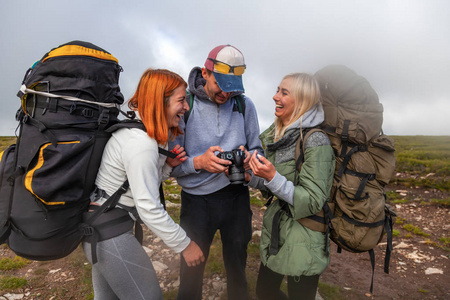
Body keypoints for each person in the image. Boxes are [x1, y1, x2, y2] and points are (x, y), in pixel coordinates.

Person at [82, 69, 205, 300]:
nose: (186, 107)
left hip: (99, 229)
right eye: (181, 100)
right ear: (161, 102)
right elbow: (148, 207)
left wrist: (166, 166)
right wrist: (185, 245)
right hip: (110, 235)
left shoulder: (136, 133)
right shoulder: (141, 144)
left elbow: (137, 186)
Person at [169, 45, 263, 300]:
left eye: (233, 86)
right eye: (221, 84)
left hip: (236, 198)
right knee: (191, 273)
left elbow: (258, 150)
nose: (226, 92)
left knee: (237, 269)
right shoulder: (184, 106)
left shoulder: (244, 105)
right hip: (197, 202)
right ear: (205, 73)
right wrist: (199, 162)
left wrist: (249, 162)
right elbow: (171, 166)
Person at [246, 73, 335, 300]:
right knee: (265, 293)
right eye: (278, 90)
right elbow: (271, 186)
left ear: (303, 100)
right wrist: (251, 175)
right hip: (279, 230)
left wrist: (272, 176)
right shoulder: (280, 134)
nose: (275, 96)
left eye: (284, 93)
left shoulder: (316, 140)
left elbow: (314, 199)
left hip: (305, 236)